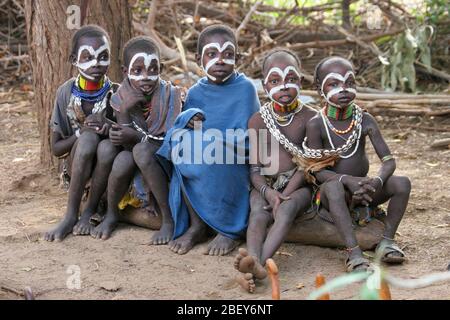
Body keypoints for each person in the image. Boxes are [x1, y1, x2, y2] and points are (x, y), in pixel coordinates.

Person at [157, 25, 260, 256]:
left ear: (237, 58)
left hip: (233, 159)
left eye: (228, 54)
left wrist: (213, 143)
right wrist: (188, 122)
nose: (221, 60)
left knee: (207, 151)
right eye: (212, 54)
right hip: (202, 155)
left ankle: (228, 230)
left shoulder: (245, 89)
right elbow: (189, 126)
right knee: (182, 145)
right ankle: (197, 225)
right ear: (199, 58)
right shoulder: (196, 92)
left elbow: (249, 138)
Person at [302, 56, 411, 272]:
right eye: (334, 84)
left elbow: (389, 161)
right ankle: (353, 253)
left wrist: (377, 182)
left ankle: (386, 241)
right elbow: (315, 171)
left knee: (402, 184)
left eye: (349, 83)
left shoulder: (365, 120)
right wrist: (347, 181)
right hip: (335, 192)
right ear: (319, 89)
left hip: (365, 189)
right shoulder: (316, 124)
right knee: (332, 188)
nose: (343, 89)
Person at [234, 48, 317, 293]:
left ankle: (255, 265)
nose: (284, 86)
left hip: (299, 184)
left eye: (291, 79)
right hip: (265, 184)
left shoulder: (311, 118)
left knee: (287, 209)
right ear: (264, 84)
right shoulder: (258, 120)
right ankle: (255, 265)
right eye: (275, 80)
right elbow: (256, 169)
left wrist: (285, 194)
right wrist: (269, 193)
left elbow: (308, 165)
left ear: (300, 82)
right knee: (258, 214)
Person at [90, 36, 183, 241]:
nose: (146, 77)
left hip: (164, 164)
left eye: (153, 69)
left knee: (140, 150)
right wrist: (120, 118)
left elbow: (170, 142)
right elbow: (125, 144)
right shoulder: (120, 97)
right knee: (124, 159)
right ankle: (113, 213)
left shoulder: (171, 95)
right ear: (125, 72)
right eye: (137, 70)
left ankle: (168, 220)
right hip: (136, 168)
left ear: (161, 68)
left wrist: (137, 137)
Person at [45, 25, 118, 242]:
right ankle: (70, 215)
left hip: (107, 169)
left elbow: (127, 138)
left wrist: (108, 126)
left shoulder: (117, 93)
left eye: (103, 56)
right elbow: (57, 149)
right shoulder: (65, 92)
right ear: (73, 60)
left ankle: (89, 211)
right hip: (78, 165)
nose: (96, 63)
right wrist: (82, 132)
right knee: (87, 139)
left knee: (106, 146)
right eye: (87, 57)